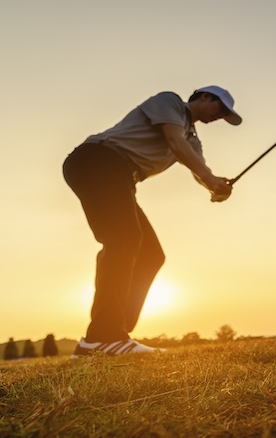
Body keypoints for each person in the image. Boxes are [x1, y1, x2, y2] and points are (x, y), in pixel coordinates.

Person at [63, 86, 241, 356]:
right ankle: (105, 336)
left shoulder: (191, 138)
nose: (222, 117)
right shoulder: (169, 102)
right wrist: (210, 178)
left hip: (120, 175)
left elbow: (198, 167)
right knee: (123, 239)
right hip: (98, 160)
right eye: (221, 109)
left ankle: (107, 336)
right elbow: (174, 142)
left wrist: (215, 188)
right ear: (205, 96)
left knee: (150, 254)